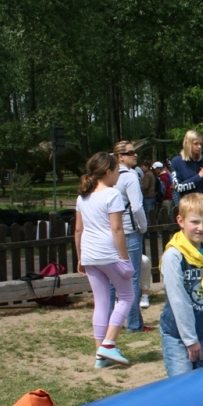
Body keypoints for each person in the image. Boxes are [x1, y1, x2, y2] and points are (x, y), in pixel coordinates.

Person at [159, 193, 203, 377]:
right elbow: (178, 300)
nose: (201, 227)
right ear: (180, 221)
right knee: (182, 383)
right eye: (195, 222)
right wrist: (190, 340)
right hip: (177, 335)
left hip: (202, 331)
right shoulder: (174, 256)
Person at [74, 152, 134, 368]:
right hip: (108, 253)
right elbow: (117, 229)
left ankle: (100, 356)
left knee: (102, 302)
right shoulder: (112, 194)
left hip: (90, 254)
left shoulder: (83, 197)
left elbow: (78, 230)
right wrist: (125, 259)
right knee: (127, 296)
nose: (119, 174)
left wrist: (80, 257)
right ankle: (108, 344)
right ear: (108, 172)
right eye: (117, 170)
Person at [111, 140, 151, 332]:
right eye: (131, 153)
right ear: (120, 156)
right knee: (132, 278)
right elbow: (137, 207)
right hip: (129, 231)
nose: (136, 155)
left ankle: (112, 321)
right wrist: (143, 227)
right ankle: (134, 323)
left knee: (112, 278)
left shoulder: (107, 175)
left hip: (111, 231)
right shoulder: (130, 176)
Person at [170, 130, 203, 210]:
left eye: (200, 144)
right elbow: (178, 187)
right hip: (187, 206)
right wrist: (199, 176)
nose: (199, 147)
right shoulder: (176, 161)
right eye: (196, 144)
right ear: (187, 144)